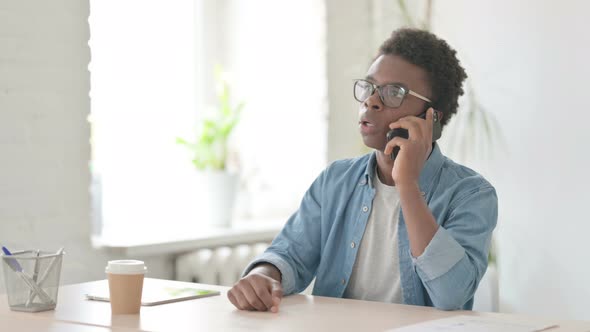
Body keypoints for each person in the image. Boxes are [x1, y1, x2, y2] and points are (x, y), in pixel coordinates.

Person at [227, 28, 498, 312]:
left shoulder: (471, 194)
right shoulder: (335, 180)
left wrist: (406, 184)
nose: (371, 101)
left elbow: (451, 295)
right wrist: (263, 276)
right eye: (369, 87)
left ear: (432, 118)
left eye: (394, 92)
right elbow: (289, 254)